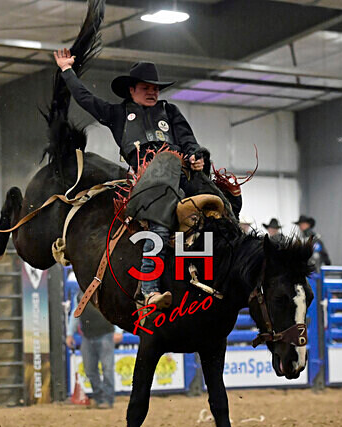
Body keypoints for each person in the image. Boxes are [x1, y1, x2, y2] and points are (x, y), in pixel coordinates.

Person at [54, 51, 220, 309]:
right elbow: (86, 99)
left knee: (219, 206)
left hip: (179, 175)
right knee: (160, 226)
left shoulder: (170, 111)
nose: (152, 92)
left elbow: (188, 140)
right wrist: (67, 71)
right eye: (146, 88)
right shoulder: (117, 114)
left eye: (155, 88)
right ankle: (149, 289)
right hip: (148, 184)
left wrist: (196, 156)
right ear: (131, 90)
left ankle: (215, 277)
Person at [66, 298, 123, 409]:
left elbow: (115, 310)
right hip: (88, 336)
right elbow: (76, 313)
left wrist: (118, 330)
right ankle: (100, 397)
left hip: (105, 334)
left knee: (106, 368)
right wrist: (69, 333)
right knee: (90, 370)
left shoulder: (103, 289)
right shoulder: (81, 293)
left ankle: (106, 398)